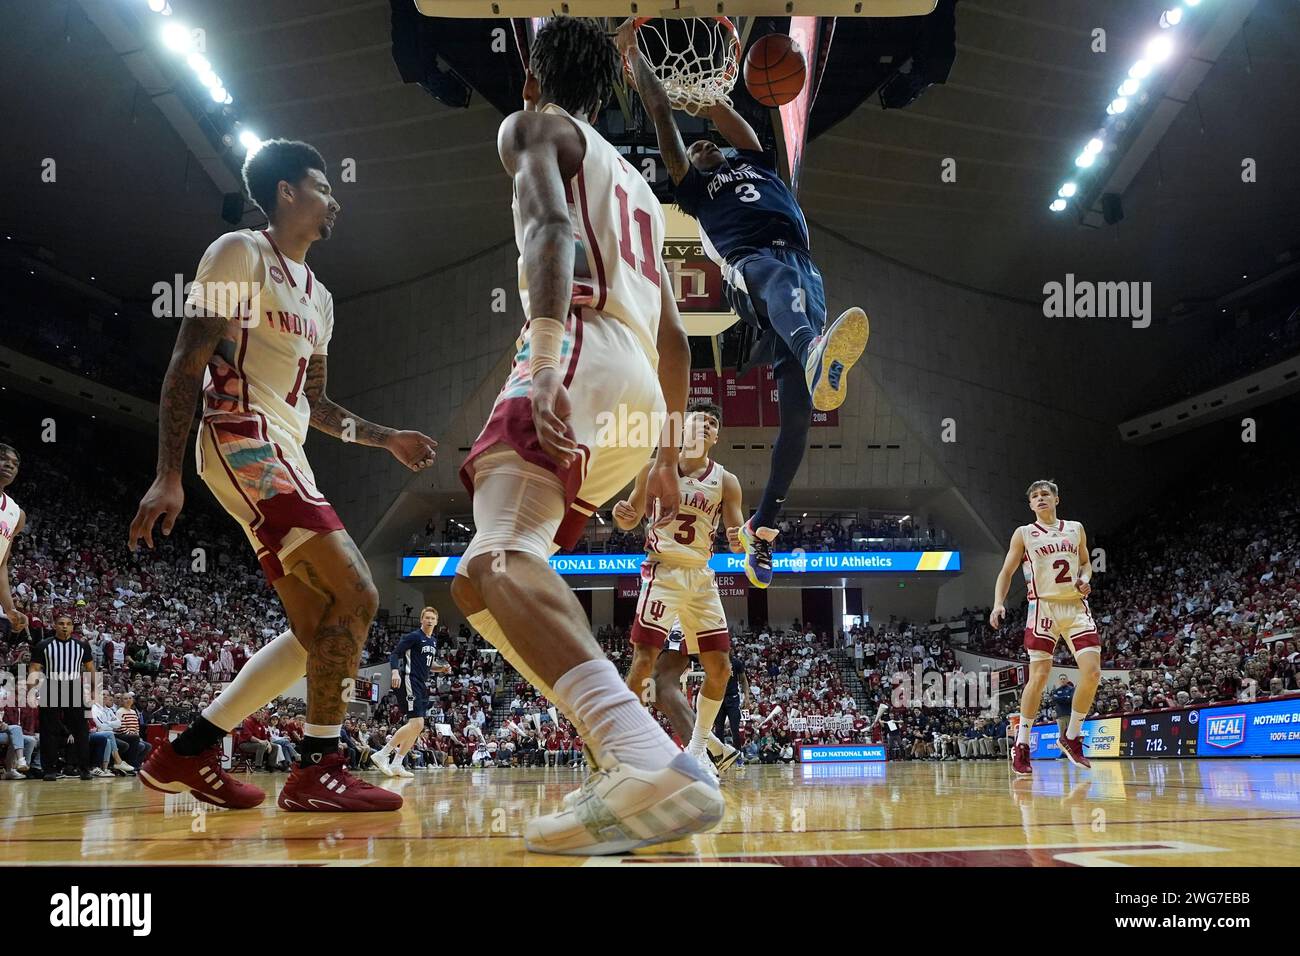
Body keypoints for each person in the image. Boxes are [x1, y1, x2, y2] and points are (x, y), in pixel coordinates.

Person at [447, 16, 723, 855]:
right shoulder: (640, 189)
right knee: (477, 581)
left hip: (580, 345)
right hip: (638, 384)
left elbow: (548, 232)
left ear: (531, 77)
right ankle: (626, 753)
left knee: (502, 556)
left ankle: (646, 755)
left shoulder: (534, 126)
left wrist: (540, 364)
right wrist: (667, 457)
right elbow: (678, 338)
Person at [130, 138, 436, 812]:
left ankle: (187, 753)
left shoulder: (320, 298)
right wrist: (167, 474)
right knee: (358, 592)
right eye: (323, 187)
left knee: (319, 628)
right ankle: (318, 768)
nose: (335, 201)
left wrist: (386, 441)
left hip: (287, 451)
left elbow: (316, 403)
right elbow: (186, 365)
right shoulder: (240, 252)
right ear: (286, 192)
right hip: (240, 441)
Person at [616, 19, 868, 590]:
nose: (702, 145)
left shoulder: (753, 161)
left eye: (708, 142)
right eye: (695, 148)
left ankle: (765, 531)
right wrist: (640, 65)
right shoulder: (694, 187)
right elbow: (662, 117)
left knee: (799, 413)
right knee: (776, 283)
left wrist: (709, 100)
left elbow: (732, 121)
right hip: (751, 267)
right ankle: (811, 351)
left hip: (805, 267)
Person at [615, 402, 744, 774]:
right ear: (681, 430)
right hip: (664, 571)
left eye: (713, 423)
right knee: (644, 661)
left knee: (719, 668)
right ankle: (620, 746)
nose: (706, 426)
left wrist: (742, 540)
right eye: (699, 420)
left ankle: (700, 748)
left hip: (702, 577)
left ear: (716, 436)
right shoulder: (654, 468)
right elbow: (628, 517)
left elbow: (737, 538)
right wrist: (622, 517)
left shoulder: (726, 481)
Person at [991, 480, 1100, 775]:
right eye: (1035, 496)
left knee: (1091, 673)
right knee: (1038, 677)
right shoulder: (1024, 533)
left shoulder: (1075, 528)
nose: (1040, 499)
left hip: (1075, 606)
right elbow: (1007, 570)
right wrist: (998, 603)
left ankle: (1072, 736)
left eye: (1045, 495)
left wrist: (1086, 578)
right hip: (1043, 607)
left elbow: (1087, 563)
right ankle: (1022, 744)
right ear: (1030, 505)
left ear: (1056, 499)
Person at [371, 606, 450, 778]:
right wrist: (394, 672)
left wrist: (441, 668)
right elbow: (395, 654)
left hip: (421, 683)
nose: (429, 621)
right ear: (421, 619)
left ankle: (397, 763)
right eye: (427, 618)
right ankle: (382, 754)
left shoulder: (433, 641)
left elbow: (430, 665)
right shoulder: (414, 636)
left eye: (432, 619)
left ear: (436, 622)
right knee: (416, 723)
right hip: (409, 680)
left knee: (418, 726)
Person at [29, 613, 95, 781]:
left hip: (74, 687)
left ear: (73, 627)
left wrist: (94, 690)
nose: (64, 626)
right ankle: (49, 769)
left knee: (81, 730)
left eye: (68, 623)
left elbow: (90, 669)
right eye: (61, 623)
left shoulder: (82, 646)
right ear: (54, 625)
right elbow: (34, 669)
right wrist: (31, 690)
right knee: (49, 730)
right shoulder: (43, 645)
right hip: (51, 685)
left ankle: (83, 768)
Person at [0, 445, 30, 639]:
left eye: (15, 464)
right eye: (4, 459)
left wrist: (9, 608)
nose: (10, 465)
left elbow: (1, 565)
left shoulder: (16, 513)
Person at [1051, 674, 1075, 757]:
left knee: (1070, 735)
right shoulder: (1056, 691)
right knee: (1062, 736)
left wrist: (1060, 698)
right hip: (1060, 716)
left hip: (1069, 715)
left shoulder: (1072, 689)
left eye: (1064, 678)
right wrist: (1065, 697)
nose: (1062, 680)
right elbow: (1054, 699)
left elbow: (1070, 699)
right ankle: (1064, 753)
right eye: (1061, 679)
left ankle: (1073, 752)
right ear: (1059, 681)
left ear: (1067, 679)